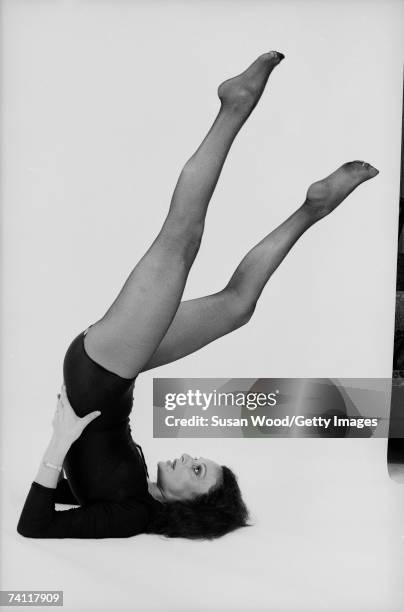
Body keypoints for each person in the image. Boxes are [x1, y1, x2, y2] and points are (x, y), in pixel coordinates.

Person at [16, 50, 379, 539]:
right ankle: (312, 208)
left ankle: (234, 105)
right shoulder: (134, 493)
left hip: (101, 369)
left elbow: (33, 526)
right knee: (237, 306)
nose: (188, 458)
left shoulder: (133, 515)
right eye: (200, 464)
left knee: (180, 239)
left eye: (196, 472)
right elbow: (69, 488)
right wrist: (67, 453)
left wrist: (59, 445)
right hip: (113, 373)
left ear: (192, 504)